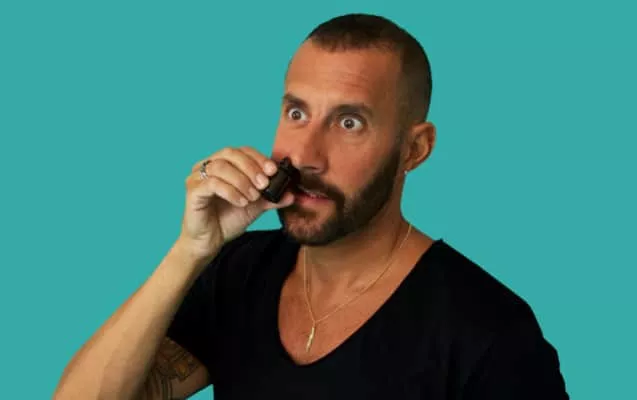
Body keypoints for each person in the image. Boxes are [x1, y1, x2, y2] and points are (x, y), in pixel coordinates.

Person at [53, 13, 569, 400]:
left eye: (349, 123)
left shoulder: (488, 331)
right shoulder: (238, 274)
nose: (304, 156)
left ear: (414, 149)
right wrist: (190, 251)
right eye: (297, 113)